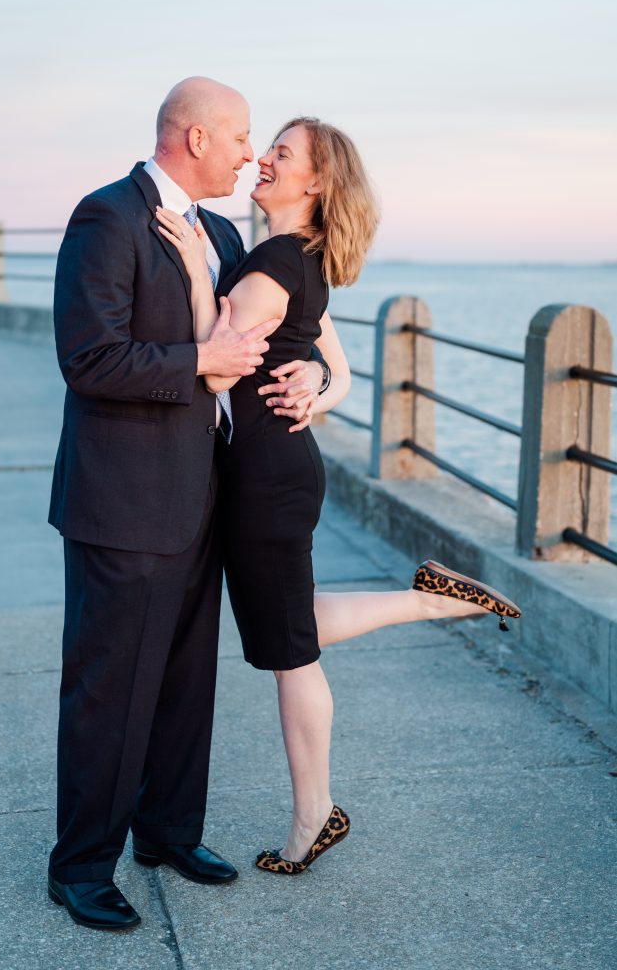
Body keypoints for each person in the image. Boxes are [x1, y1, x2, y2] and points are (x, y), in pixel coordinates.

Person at [157, 115, 522, 877]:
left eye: (281, 155)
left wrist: (194, 267)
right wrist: (321, 387)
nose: (263, 159)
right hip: (274, 465)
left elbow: (217, 368)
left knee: (291, 655)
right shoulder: (297, 259)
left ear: (315, 183)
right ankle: (427, 600)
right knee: (285, 627)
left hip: (265, 473)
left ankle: (312, 817)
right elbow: (336, 364)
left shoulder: (272, 261)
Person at [46, 78, 327, 931]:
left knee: (181, 682)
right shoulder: (107, 217)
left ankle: (167, 833)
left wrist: (313, 372)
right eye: (242, 139)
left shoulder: (221, 230)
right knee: (109, 688)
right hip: (125, 498)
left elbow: (277, 326)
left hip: (208, 489)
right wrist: (201, 363)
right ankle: (82, 865)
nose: (250, 155)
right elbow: (90, 359)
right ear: (197, 138)